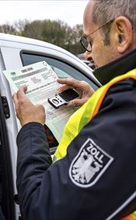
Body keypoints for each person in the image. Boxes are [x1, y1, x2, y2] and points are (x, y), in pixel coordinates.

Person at [13, 0, 136, 219]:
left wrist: (32, 127)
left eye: (89, 41)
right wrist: (96, 99)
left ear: (121, 34)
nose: (88, 54)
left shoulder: (129, 104)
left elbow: (43, 210)